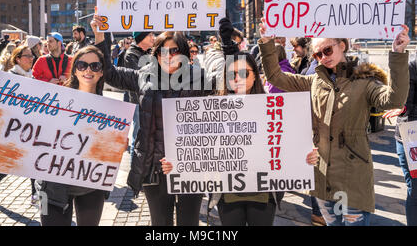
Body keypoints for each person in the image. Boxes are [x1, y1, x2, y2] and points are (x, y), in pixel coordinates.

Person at [161, 18, 318, 226]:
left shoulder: (274, 109)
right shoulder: (212, 109)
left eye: (244, 73)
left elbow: (289, 145)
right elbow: (200, 149)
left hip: (264, 195)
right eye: (232, 74)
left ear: (255, 76)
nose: (238, 78)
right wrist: (178, 163)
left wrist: (306, 157)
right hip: (227, 197)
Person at [258, 19, 410, 226]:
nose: (323, 58)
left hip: (352, 180)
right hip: (323, 179)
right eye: (318, 54)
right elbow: (275, 77)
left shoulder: (364, 81)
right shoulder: (314, 81)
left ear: (342, 45)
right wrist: (267, 44)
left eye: (327, 50)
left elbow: (394, 100)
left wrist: (398, 55)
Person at [90, 13, 214, 226]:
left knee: (189, 224)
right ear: (156, 54)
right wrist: (100, 35)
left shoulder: (199, 79)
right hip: (153, 166)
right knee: (160, 224)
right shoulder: (142, 76)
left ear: (184, 54)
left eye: (174, 50)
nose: (168, 55)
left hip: (189, 166)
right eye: (162, 51)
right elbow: (109, 73)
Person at [0, 45, 109, 226]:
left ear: (102, 71)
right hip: (50, 189)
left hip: (89, 188)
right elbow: (20, 125)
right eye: (82, 65)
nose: (88, 70)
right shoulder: (51, 98)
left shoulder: (111, 111)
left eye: (95, 66)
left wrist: (117, 144)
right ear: (74, 69)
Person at [0, 45, 37, 205]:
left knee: (32, 160)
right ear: (18, 59)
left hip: (31, 126)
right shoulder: (8, 78)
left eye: (32, 56)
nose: (31, 58)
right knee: (11, 162)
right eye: (28, 56)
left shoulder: (32, 77)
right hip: (12, 127)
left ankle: (35, 195)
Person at [383, 56, 417, 226]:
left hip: (410, 136)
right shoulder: (412, 66)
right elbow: (406, 104)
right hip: (411, 138)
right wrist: (401, 108)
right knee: (415, 191)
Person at [123, 31, 155, 158]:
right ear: (142, 38)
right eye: (150, 35)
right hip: (139, 101)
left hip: (151, 99)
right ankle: (134, 169)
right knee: (138, 138)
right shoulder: (131, 54)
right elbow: (139, 78)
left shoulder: (149, 52)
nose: (153, 38)